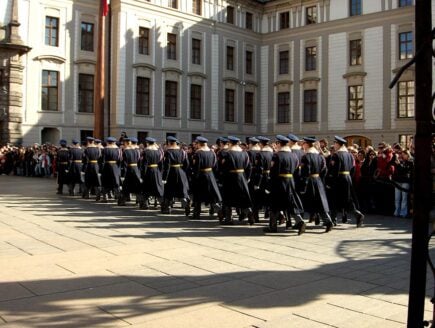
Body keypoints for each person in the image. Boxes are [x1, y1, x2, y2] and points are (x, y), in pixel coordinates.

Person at [264, 135, 305, 234]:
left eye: (277, 143)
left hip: (279, 183)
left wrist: (269, 186)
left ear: (278, 144)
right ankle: (300, 221)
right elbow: (297, 171)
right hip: (290, 182)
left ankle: (273, 227)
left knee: (274, 205)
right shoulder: (293, 155)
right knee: (291, 204)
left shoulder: (277, 155)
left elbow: (273, 172)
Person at [328, 136, 364, 227]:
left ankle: (333, 220)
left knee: (334, 199)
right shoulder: (349, 155)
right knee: (347, 199)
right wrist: (349, 178)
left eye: (335, 143)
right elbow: (353, 169)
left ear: (338, 144)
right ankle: (357, 214)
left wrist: (330, 181)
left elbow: (335, 170)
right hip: (347, 178)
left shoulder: (336, 155)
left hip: (339, 179)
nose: (334, 145)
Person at [300, 136, 334, 232]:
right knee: (320, 203)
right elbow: (324, 169)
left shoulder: (306, 157)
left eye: (304, 143)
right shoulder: (319, 156)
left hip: (309, 182)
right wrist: (319, 178)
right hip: (318, 180)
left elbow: (305, 172)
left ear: (307, 144)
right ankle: (328, 221)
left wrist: (303, 185)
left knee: (302, 203)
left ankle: (300, 222)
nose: (303, 145)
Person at [219, 136, 254, 225]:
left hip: (230, 178)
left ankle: (228, 218)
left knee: (228, 198)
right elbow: (249, 167)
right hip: (242, 177)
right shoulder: (245, 153)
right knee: (243, 197)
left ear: (230, 143)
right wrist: (247, 178)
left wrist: (222, 178)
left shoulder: (228, 154)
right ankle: (250, 213)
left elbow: (224, 168)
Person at [189, 136, 222, 219]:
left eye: (196, 143)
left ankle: (196, 213)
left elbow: (196, 166)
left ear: (199, 144)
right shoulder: (212, 152)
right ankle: (216, 208)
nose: (195, 145)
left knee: (198, 195)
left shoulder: (198, 153)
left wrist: (194, 177)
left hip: (200, 175)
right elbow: (215, 166)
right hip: (210, 174)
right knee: (211, 194)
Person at [161, 136, 190, 215]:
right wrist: (183, 172)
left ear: (169, 143)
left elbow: (167, 166)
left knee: (169, 190)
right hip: (181, 171)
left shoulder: (168, 152)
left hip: (171, 172)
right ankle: (186, 202)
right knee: (182, 188)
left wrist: (164, 178)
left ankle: (167, 208)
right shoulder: (182, 151)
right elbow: (187, 164)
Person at [140, 137, 164, 209]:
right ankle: (163, 204)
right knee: (158, 188)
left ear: (147, 143)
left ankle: (145, 204)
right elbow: (161, 164)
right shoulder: (158, 151)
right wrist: (160, 173)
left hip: (149, 171)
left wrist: (143, 175)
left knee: (146, 188)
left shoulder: (146, 151)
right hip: (156, 171)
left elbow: (144, 165)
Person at [118, 137, 142, 206]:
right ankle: (139, 201)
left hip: (129, 169)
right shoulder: (137, 151)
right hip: (136, 169)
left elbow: (124, 163)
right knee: (137, 185)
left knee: (126, 186)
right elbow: (139, 161)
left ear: (126, 143)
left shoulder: (125, 151)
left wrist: (124, 173)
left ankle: (122, 201)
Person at [392, 149, 414, 217]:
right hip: (398, 181)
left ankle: (403, 213)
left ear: (408, 155)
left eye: (404, 154)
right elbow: (395, 167)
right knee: (397, 198)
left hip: (405, 181)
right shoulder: (399, 161)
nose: (403, 156)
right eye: (402, 154)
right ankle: (396, 212)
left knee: (404, 198)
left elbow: (405, 170)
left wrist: (399, 165)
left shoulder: (410, 162)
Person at [100, 137, 122, 203]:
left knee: (105, 182)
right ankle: (118, 197)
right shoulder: (118, 150)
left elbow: (102, 160)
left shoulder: (104, 150)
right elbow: (120, 160)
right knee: (116, 182)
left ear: (108, 142)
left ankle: (105, 197)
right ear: (114, 142)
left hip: (106, 167)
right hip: (115, 166)